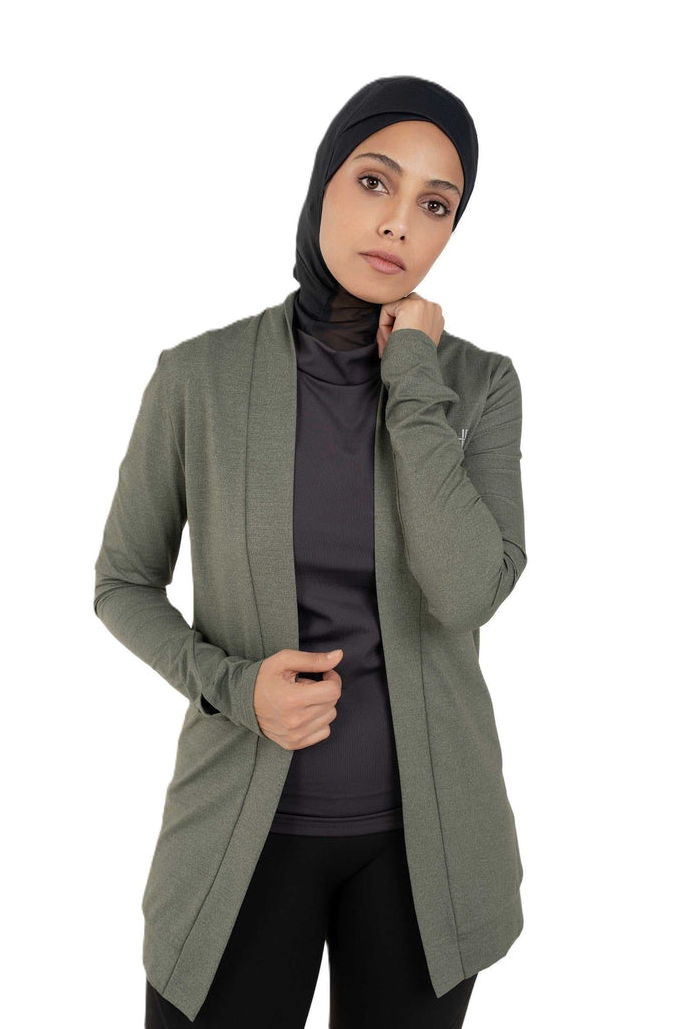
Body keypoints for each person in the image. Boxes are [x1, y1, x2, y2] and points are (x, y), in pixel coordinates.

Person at [94, 75, 527, 1028]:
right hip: (240, 834)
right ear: (323, 181)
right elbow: (122, 584)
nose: (399, 222)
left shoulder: (479, 385)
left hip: (429, 851)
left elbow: (466, 591)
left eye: (435, 204)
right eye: (374, 182)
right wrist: (232, 686)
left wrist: (412, 376)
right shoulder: (199, 378)